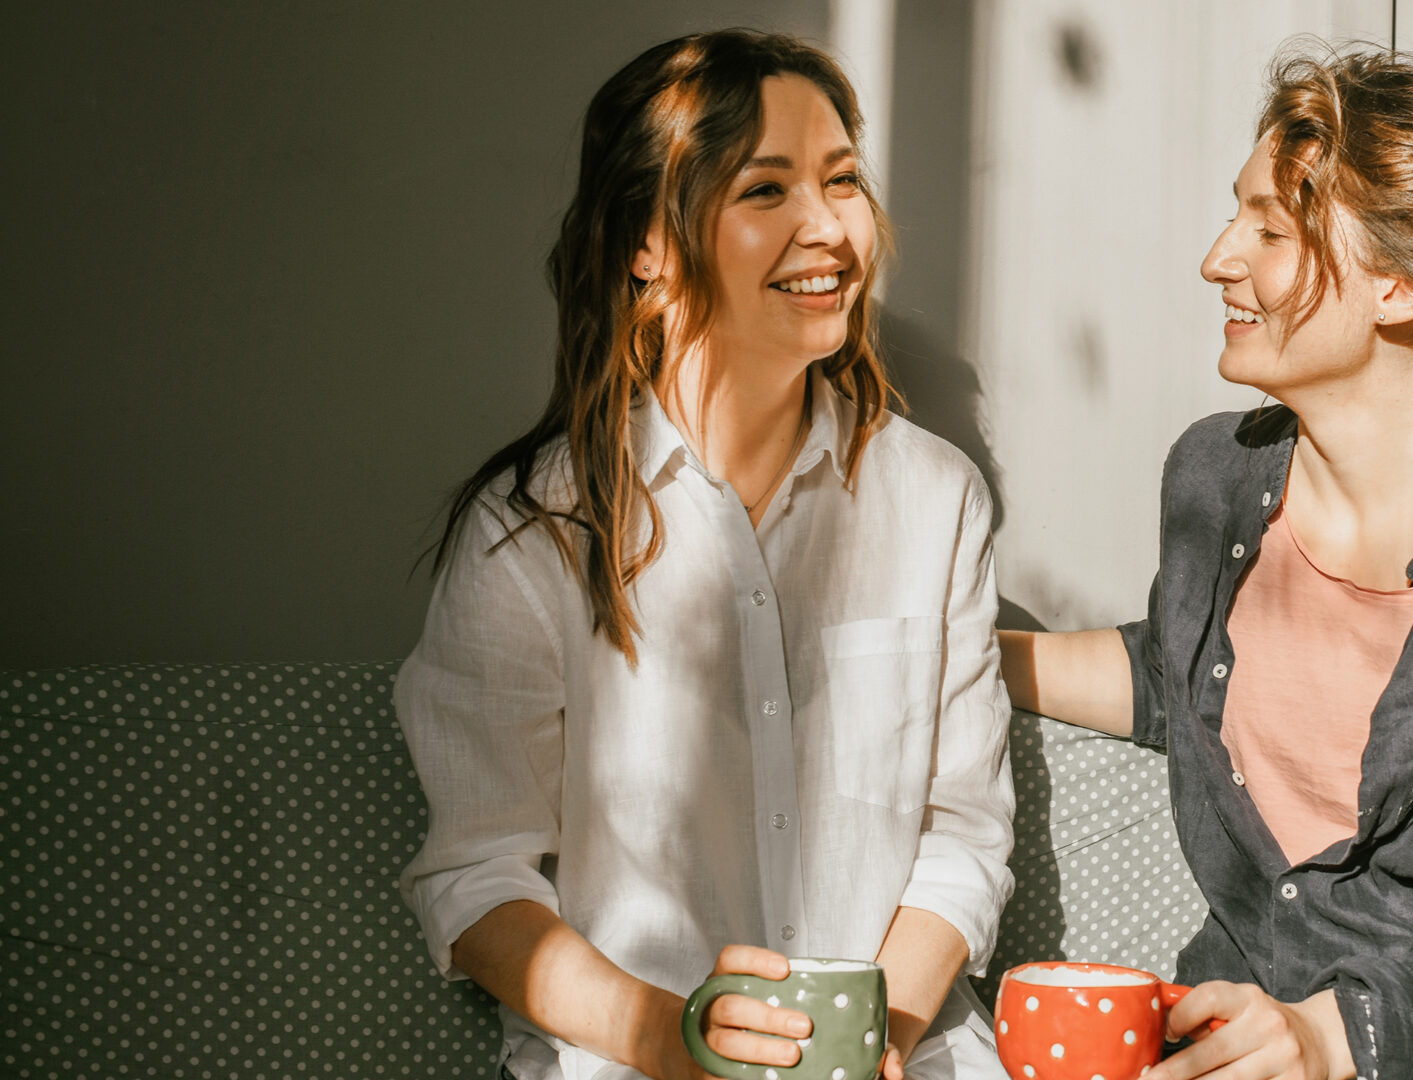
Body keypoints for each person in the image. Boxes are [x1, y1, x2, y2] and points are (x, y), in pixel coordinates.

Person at [999, 48, 1413, 1080]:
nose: (1219, 257)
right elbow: (1185, 675)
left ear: (1402, 284)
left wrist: (1330, 1037)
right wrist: (950, 655)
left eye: (1271, 230)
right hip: (1219, 1046)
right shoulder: (1215, 474)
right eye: (1237, 216)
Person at [395, 30, 1013, 1080]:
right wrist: (676, 1042)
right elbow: (478, 881)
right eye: (765, 190)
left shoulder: (934, 498)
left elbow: (961, 841)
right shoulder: (531, 532)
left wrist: (877, 1044)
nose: (829, 228)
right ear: (648, 239)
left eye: (843, 181)